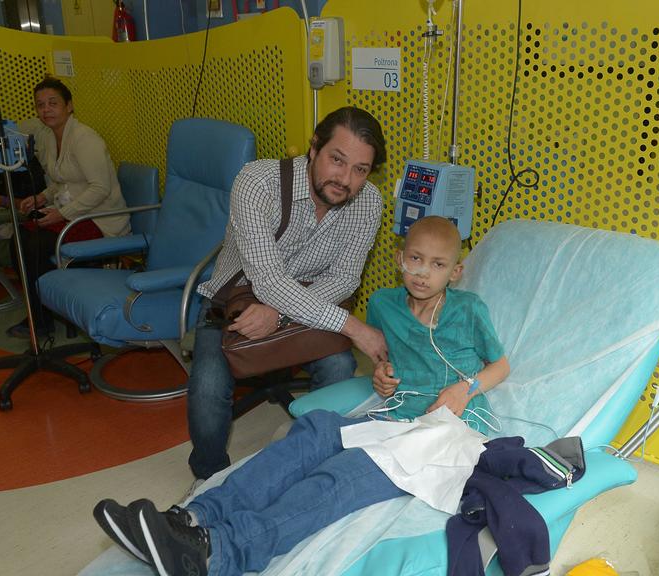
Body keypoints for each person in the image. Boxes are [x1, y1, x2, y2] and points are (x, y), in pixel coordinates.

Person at [93, 216, 510, 576]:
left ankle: (217, 552)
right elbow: (394, 361)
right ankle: (188, 519)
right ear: (400, 258)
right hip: (398, 418)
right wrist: (384, 376)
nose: (423, 272)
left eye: (438, 265)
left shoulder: (469, 310)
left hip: (449, 433)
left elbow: (501, 366)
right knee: (315, 430)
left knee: (343, 475)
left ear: (455, 272)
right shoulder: (385, 306)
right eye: (416, 259)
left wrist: (464, 389)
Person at [187, 106, 390, 482]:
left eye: (360, 170)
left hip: (308, 305)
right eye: (337, 160)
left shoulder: (368, 202)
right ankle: (208, 477)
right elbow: (267, 281)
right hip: (231, 303)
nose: (345, 179)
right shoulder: (257, 182)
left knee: (340, 368)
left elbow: (345, 279)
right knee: (207, 388)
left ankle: (308, 462)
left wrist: (278, 314)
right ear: (314, 148)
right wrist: (355, 328)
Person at [6, 77, 130, 338]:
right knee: (18, 239)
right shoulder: (50, 139)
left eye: (53, 103)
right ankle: (41, 313)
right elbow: (58, 182)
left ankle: (43, 319)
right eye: (40, 105)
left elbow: (100, 188)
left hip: (100, 219)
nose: (46, 110)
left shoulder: (85, 139)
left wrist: (60, 214)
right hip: (74, 213)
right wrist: (40, 198)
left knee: (35, 244)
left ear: (69, 106)